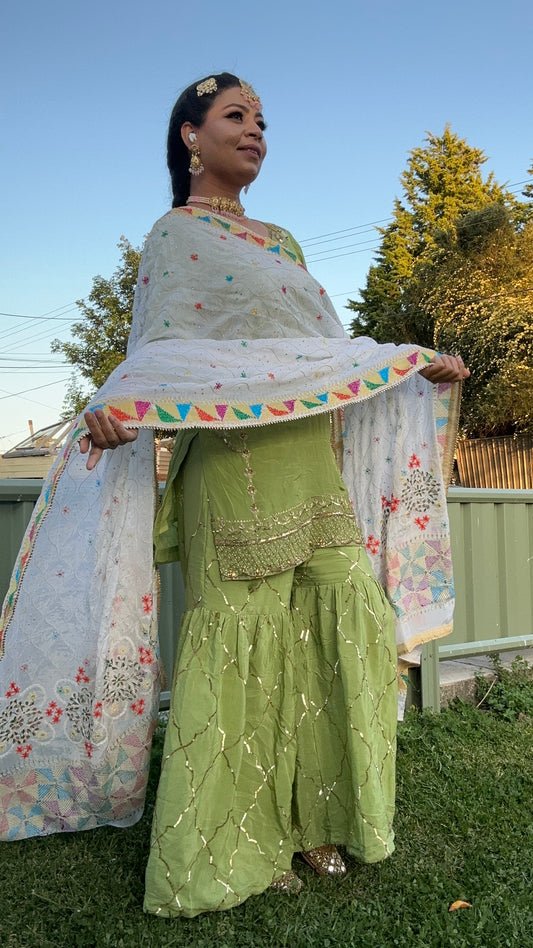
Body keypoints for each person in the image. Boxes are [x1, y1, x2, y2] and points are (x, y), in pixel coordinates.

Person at [0, 73, 468, 918]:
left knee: (332, 622)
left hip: (306, 455)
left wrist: (407, 363)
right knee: (243, 638)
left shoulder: (281, 242)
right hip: (233, 463)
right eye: (234, 117)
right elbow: (163, 360)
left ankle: (319, 816)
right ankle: (240, 835)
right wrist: (114, 412)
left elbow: (320, 355)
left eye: (261, 121)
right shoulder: (171, 240)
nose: (254, 131)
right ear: (189, 135)